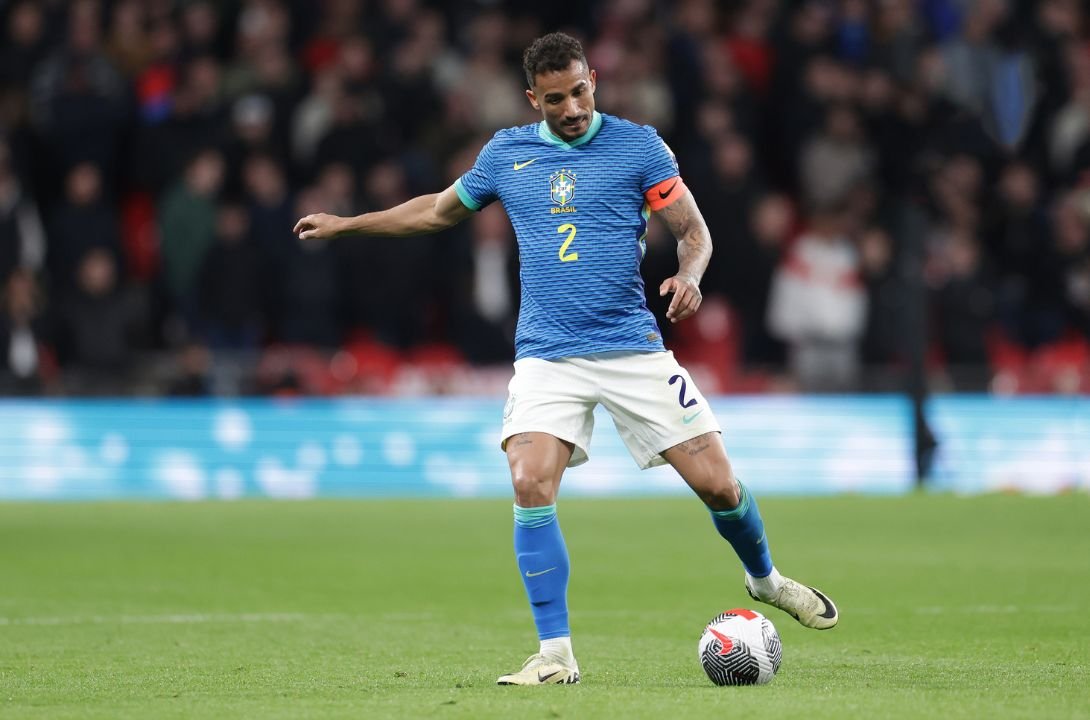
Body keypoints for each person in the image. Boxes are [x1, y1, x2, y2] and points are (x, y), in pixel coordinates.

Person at [294, 32, 838, 687]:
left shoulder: (639, 146)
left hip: (632, 349)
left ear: (594, 81)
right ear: (534, 99)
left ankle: (766, 579)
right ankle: (555, 654)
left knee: (720, 486)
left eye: (580, 91)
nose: (573, 106)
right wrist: (348, 223)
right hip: (548, 357)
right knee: (529, 482)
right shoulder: (507, 154)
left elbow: (693, 231)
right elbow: (436, 212)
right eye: (556, 98)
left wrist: (690, 274)